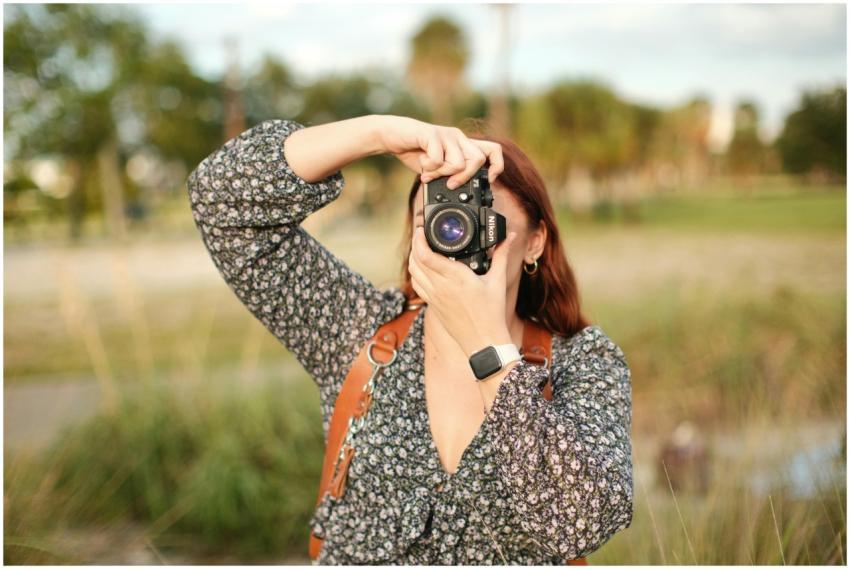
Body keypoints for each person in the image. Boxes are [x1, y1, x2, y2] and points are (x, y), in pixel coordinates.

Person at [186, 115, 633, 564]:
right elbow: (220, 199)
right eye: (437, 219)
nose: (455, 236)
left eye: (479, 218)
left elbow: (588, 519)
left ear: (534, 241)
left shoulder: (582, 361)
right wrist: (377, 135)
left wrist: (487, 346)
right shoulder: (360, 329)